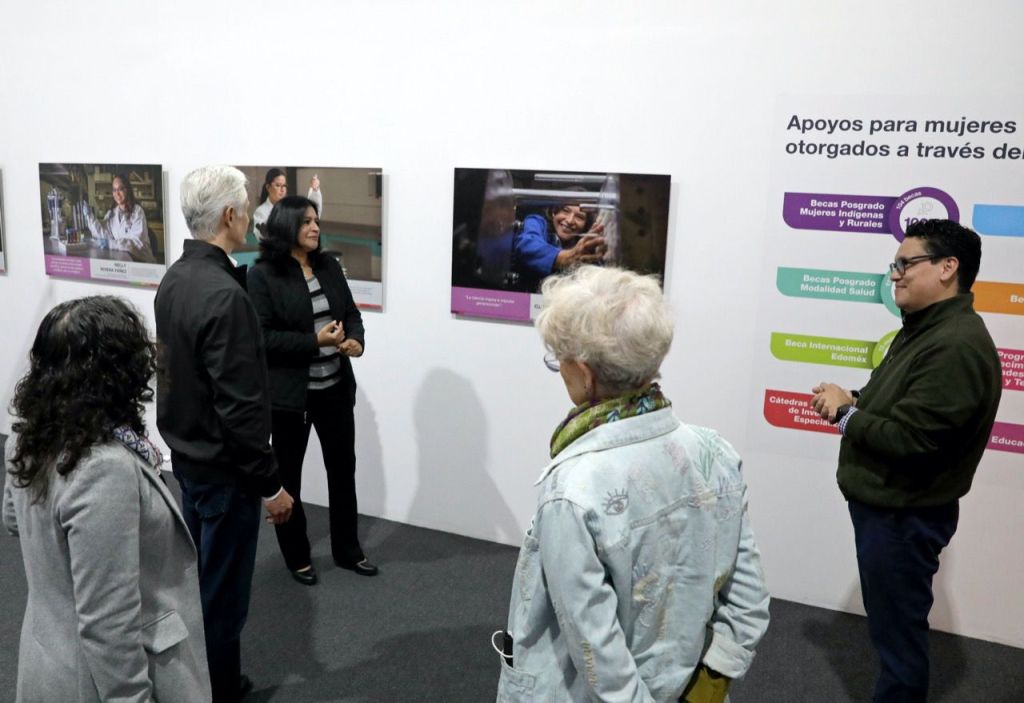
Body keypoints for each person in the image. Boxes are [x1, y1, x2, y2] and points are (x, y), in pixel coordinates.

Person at [496, 266, 770, 702]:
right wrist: (712, 682)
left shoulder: (573, 490)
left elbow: (595, 648)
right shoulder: (714, 452)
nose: (559, 370)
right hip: (686, 685)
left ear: (584, 373)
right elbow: (748, 595)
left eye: (558, 360)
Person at [810, 219, 1002, 702]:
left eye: (905, 264)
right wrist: (854, 399)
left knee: (899, 641)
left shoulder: (954, 345)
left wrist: (845, 414)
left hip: (903, 516)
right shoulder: (924, 329)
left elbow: (911, 439)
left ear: (947, 268)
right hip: (892, 511)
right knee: (893, 629)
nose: (894, 275)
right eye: (894, 264)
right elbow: (896, 405)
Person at [3, 296, 211, 702]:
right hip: (94, 681)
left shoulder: (26, 438)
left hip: (47, 655)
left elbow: (14, 521)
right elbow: (107, 623)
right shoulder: (103, 468)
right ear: (119, 372)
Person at [155, 165, 294, 702]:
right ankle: (219, 690)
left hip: (188, 461)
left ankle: (205, 684)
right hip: (226, 471)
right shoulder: (225, 294)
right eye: (246, 209)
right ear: (231, 215)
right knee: (223, 596)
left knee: (198, 584)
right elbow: (240, 407)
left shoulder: (176, 278)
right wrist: (270, 485)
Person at [248, 195, 376, 584]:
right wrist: (314, 341)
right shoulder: (263, 275)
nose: (315, 227)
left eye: (316, 220)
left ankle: (348, 551)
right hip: (291, 398)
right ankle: (297, 556)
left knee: (343, 471)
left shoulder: (328, 265)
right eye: (306, 221)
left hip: (334, 389)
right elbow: (263, 338)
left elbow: (350, 313)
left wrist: (355, 341)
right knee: (290, 478)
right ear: (286, 225)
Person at [511, 192, 607, 289]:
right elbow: (527, 245)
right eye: (565, 211)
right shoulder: (537, 222)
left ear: (586, 224)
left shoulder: (584, 247)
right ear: (554, 212)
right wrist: (566, 257)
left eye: (579, 217)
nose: (570, 221)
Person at [83, 172, 157, 263]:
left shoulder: (137, 211)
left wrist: (110, 244)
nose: (117, 193)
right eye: (114, 190)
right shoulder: (112, 214)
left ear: (127, 190)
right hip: (123, 259)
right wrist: (90, 217)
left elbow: (137, 244)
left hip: (142, 261)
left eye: (120, 189)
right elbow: (104, 235)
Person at [252, 168, 323, 239]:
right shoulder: (261, 212)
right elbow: (264, 236)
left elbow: (312, 213)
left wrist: (315, 190)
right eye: (278, 185)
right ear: (268, 187)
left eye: (284, 186)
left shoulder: (291, 207)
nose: (282, 189)